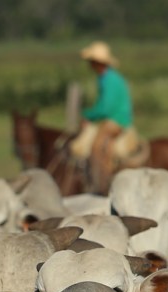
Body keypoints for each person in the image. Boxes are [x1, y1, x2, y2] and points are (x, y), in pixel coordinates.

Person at [68, 41, 141, 193]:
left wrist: (87, 115)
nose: (89, 65)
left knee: (96, 147)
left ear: (97, 63)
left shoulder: (109, 80)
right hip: (114, 118)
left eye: (91, 62)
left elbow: (105, 107)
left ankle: (100, 183)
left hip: (117, 120)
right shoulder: (106, 78)